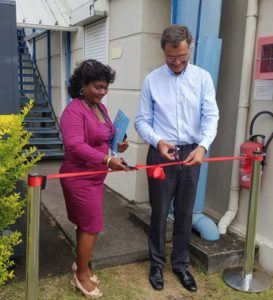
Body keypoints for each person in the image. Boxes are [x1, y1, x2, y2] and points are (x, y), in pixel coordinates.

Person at [134, 25, 219, 292]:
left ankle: (180, 264)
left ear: (189, 48)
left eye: (182, 56)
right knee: (159, 213)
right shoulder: (152, 80)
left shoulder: (203, 78)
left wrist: (203, 147)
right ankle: (156, 265)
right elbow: (141, 121)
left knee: (184, 213)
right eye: (171, 57)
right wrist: (157, 141)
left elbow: (211, 116)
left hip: (192, 153)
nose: (177, 62)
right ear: (164, 51)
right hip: (160, 154)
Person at [59, 59, 128, 298]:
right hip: (78, 177)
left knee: (85, 224)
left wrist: (118, 145)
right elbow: (75, 145)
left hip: (96, 176)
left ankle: (81, 265)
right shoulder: (73, 111)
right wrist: (108, 161)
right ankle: (81, 276)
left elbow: (105, 137)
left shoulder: (100, 108)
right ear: (83, 85)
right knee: (92, 226)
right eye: (98, 87)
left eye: (106, 87)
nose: (103, 92)